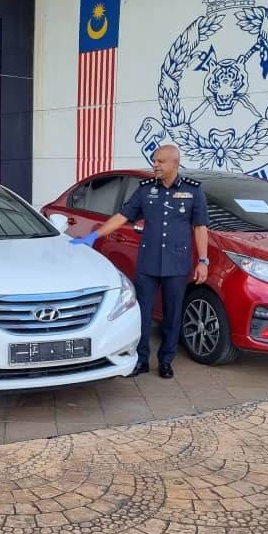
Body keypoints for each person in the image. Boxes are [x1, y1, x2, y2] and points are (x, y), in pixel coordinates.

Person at [70, 144, 209, 379]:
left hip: (176, 264)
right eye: (154, 160)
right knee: (142, 313)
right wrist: (93, 236)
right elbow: (122, 217)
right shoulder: (145, 190)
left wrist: (203, 260)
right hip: (148, 262)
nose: (155, 164)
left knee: (172, 315)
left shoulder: (193, 191)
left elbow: (200, 227)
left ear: (174, 163)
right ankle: (141, 360)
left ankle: (166, 360)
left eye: (161, 161)